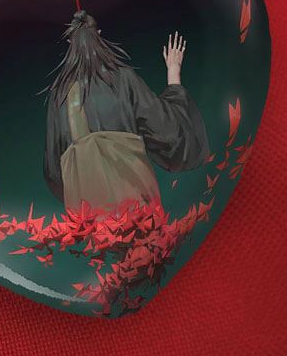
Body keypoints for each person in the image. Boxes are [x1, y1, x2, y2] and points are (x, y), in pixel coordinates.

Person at [43, 11, 209, 213]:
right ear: (99, 35)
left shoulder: (59, 96)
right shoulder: (123, 78)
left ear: (70, 42)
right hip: (135, 204)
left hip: (90, 216)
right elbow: (167, 131)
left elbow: (54, 171)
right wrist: (173, 74)